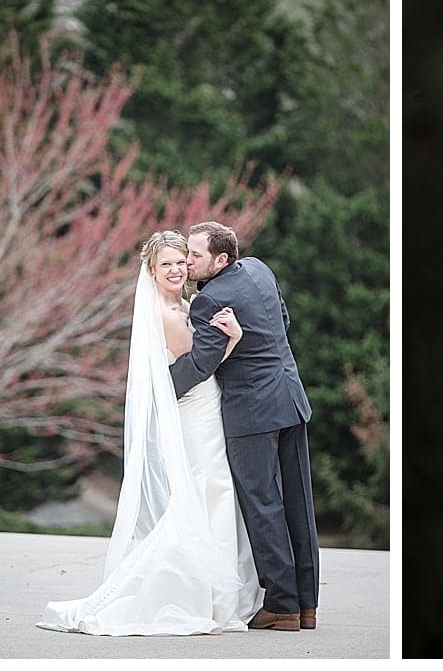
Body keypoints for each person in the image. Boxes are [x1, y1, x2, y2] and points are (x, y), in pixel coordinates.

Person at [39, 231, 263, 635]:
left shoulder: (184, 303)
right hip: (197, 414)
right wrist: (234, 338)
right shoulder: (166, 314)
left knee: (212, 492)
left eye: (181, 261)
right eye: (167, 265)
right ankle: (209, 594)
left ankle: (219, 588)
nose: (177, 269)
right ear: (152, 271)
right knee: (209, 490)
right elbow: (198, 368)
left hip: (205, 409)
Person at [169, 221, 319, 632]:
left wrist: (157, 388)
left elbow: (201, 364)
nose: (187, 260)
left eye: (195, 255)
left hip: (252, 412)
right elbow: (282, 322)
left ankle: (282, 604)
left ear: (220, 260)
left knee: (263, 503)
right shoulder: (258, 269)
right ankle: (307, 605)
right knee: (298, 502)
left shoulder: (210, 300)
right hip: (289, 396)